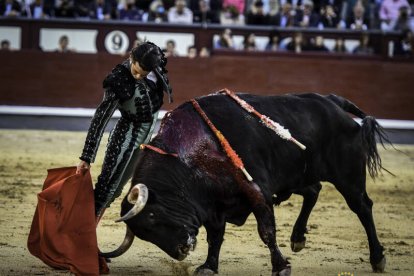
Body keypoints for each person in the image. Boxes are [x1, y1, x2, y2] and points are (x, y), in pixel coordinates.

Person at [76, 41, 172, 219]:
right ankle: (82, 237)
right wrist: (86, 157)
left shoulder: (154, 64)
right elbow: (100, 119)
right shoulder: (118, 79)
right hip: (125, 137)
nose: (137, 77)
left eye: (142, 75)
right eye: (135, 71)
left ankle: (85, 233)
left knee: (116, 191)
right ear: (130, 58)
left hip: (146, 137)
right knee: (106, 189)